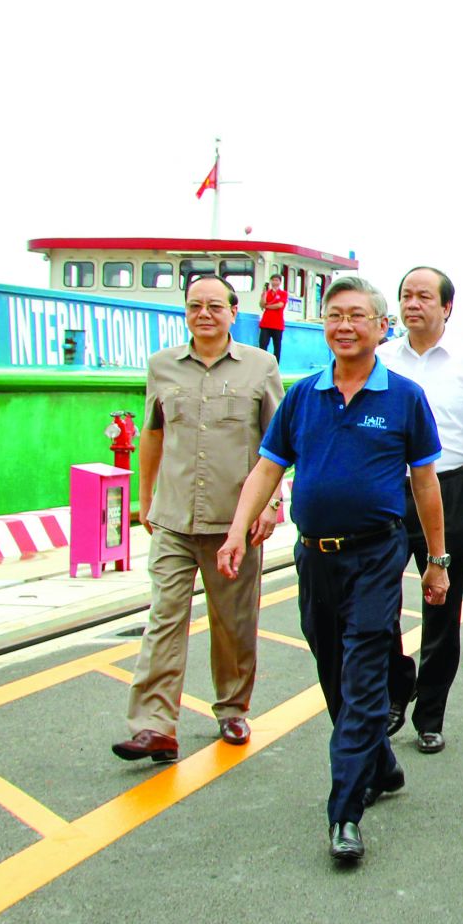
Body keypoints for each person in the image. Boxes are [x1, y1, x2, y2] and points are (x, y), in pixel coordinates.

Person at [219, 275, 450, 864]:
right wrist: (236, 530)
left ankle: (345, 811)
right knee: (330, 666)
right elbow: (268, 469)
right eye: (333, 315)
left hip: (377, 554)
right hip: (314, 557)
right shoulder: (301, 396)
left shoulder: (403, 398)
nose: (344, 326)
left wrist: (437, 561)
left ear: (380, 326)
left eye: (356, 316)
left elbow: (425, 484)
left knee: (365, 673)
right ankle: (382, 763)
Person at [113, 275, 284, 764]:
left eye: (214, 306)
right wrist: (145, 499)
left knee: (233, 622)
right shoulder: (162, 366)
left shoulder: (260, 366)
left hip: (235, 521)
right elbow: (151, 434)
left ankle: (232, 707)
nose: (204, 314)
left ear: (234, 312)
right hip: (173, 519)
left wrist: (271, 505)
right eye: (194, 306)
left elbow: (278, 444)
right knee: (164, 618)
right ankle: (153, 726)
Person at [371, 267, 463, 753]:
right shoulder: (379, 359)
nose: (413, 304)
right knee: (377, 600)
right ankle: (395, 686)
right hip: (387, 489)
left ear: (447, 308)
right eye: (406, 295)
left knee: (442, 607)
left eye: (424, 297)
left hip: (451, 488)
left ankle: (431, 714)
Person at [257, 273, 287, 362]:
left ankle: (276, 365)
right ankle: (261, 363)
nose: (274, 282)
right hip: (266, 323)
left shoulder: (283, 293)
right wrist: (264, 295)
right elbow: (261, 305)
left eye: (276, 280)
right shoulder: (267, 293)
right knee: (263, 345)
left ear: (280, 282)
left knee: (277, 346)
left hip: (277, 324)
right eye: (273, 280)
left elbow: (280, 305)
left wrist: (267, 306)